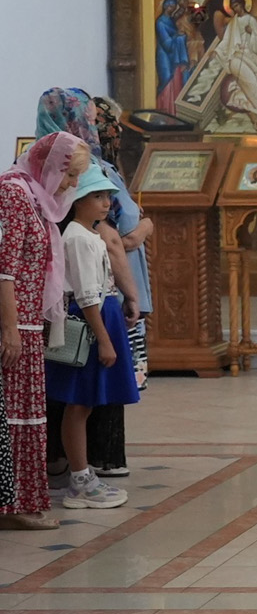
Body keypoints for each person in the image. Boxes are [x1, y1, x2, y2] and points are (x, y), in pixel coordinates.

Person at [36, 91, 150, 480]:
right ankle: (93, 466)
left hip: (79, 304)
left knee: (75, 394)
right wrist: (132, 295)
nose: (105, 203)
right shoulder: (87, 173)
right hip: (89, 311)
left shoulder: (40, 166)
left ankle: (63, 462)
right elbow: (116, 243)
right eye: (98, 197)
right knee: (85, 394)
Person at [0, 134, 88, 531]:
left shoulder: (35, 197)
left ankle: (22, 500)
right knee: (15, 415)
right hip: (13, 324)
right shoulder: (13, 193)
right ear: (49, 166)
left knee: (28, 414)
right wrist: (10, 329)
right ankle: (12, 503)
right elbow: (4, 270)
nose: (71, 184)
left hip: (28, 322)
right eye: (69, 175)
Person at [48, 166, 138, 512]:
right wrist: (104, 339)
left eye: (107, 196)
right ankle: (80, 480)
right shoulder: (78, 238)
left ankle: (82, 475)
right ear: (77, 200)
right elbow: (87, 296)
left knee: (85, 403)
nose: (105, 203)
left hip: (103, 316)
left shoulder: (90, 234)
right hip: (90, 325)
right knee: (79, 402)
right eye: (97, 196)